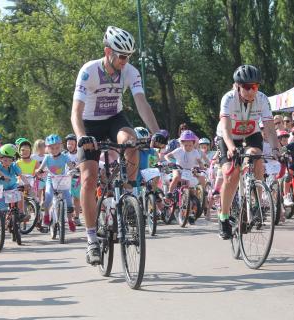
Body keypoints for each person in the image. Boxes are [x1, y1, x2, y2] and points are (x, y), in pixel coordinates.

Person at [70, 26, 161, 264]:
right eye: (121, 56)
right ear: (108, 51)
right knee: (89, 178)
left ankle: (129, 196)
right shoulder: (89, 71)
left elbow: (141, 103)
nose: (125, 61)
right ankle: (91, 239)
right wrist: (81, 136)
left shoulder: (129, 71)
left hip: (114, 120)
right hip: (89, 125)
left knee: (132, 142)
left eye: (128, 56)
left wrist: (156, 132)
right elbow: (75, 113)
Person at [215, 64, 280, 239]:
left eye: (255, 86)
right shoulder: (228, 99)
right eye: (246, 87)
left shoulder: (262, 99)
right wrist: (230, 148)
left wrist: (276, 149)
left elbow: (269, 128)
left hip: (251, 134)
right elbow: (226, 129)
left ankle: (256, 205)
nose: (251, 91)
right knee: (231, 174)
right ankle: (224, 217)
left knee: (256, 156)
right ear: (237, 86)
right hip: (228, 137)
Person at [164, 130, 206, 224]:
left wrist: (201, 166)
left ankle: (190, 212)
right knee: (176, 177)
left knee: (191, 192)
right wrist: (170, 162)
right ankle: (169, 193)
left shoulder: (195, 152)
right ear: (181, 144)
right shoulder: (179, 150)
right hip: (178, 168)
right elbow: (167, 155)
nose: (188, 147)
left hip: (189, 171)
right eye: (185, 145)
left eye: (190, 145)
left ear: (193, 144)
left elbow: (199, 161)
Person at [0, 144, 31, 221]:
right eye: (5, 160)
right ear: (0, 158)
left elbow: (21, 175)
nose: (8, 162)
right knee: (1, 210)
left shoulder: (13, 165)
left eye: (10, 160)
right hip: (1, 189)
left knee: (20, 194)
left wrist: (27, 183)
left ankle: (21, 213)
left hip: (12, 186)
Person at [63, 133, 82, 226]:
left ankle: (77, 217)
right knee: (67, 198)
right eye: (68, 144)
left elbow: (82, 163)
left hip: (76, 179)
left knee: (76, 198)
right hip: (66, 179)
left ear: (76, 145)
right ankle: (68, 217)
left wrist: (78, 168)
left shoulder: (79, 154)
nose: (69, 146)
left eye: (72, 144)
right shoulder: (64, 155)